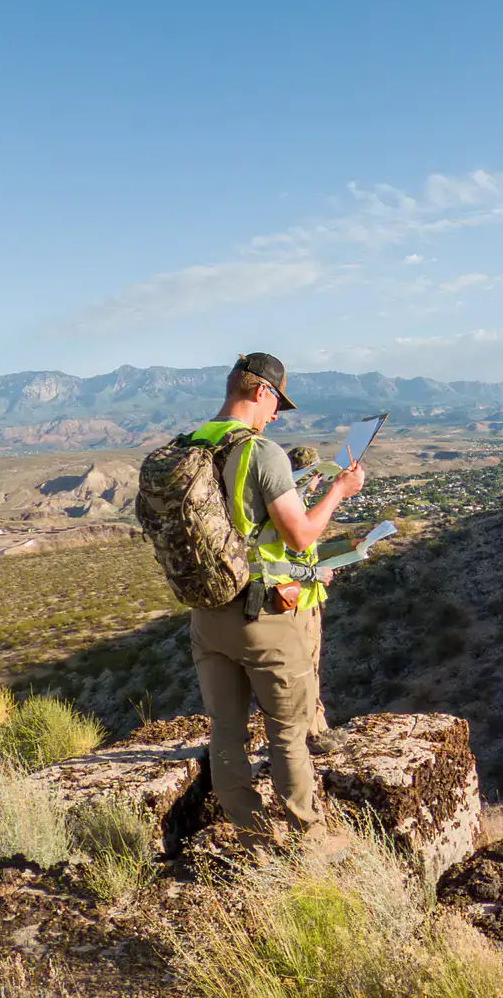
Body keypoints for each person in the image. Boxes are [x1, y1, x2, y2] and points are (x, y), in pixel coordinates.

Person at [186, 353, 365, 853]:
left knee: (226, 729)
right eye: (277, 405)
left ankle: (251, 839)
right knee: (287, 732)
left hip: (206, 612)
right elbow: (302, 533)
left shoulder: (191, 445)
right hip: (261, 614)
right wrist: (338, 491)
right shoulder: (260, 453)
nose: (276, 416)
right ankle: (310, 841)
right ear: (261, 391)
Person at [283, 443, 344, 754]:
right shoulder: (287, 511)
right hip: (296, 603)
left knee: (311, 669)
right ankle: (312, 736)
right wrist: (314, 575)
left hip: (307, 600)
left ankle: (319, 727)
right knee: (304, 671)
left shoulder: (296, 504)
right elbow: (285, 560)